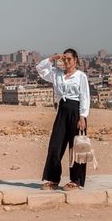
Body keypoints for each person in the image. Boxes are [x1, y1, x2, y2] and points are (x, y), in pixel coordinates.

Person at [36, 48, 90, 191]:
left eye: (69, 59)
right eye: (64, 59)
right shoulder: (56, 74)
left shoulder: (80, 76)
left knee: (77, 147)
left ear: (76, 60)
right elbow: (40, 69)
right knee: (55, 146)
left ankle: (76, 180)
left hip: (76, 112)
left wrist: (83, 117)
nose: (66, 62)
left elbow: (85, 96)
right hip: (62, 112)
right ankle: (53, 179)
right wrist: (53, 58)